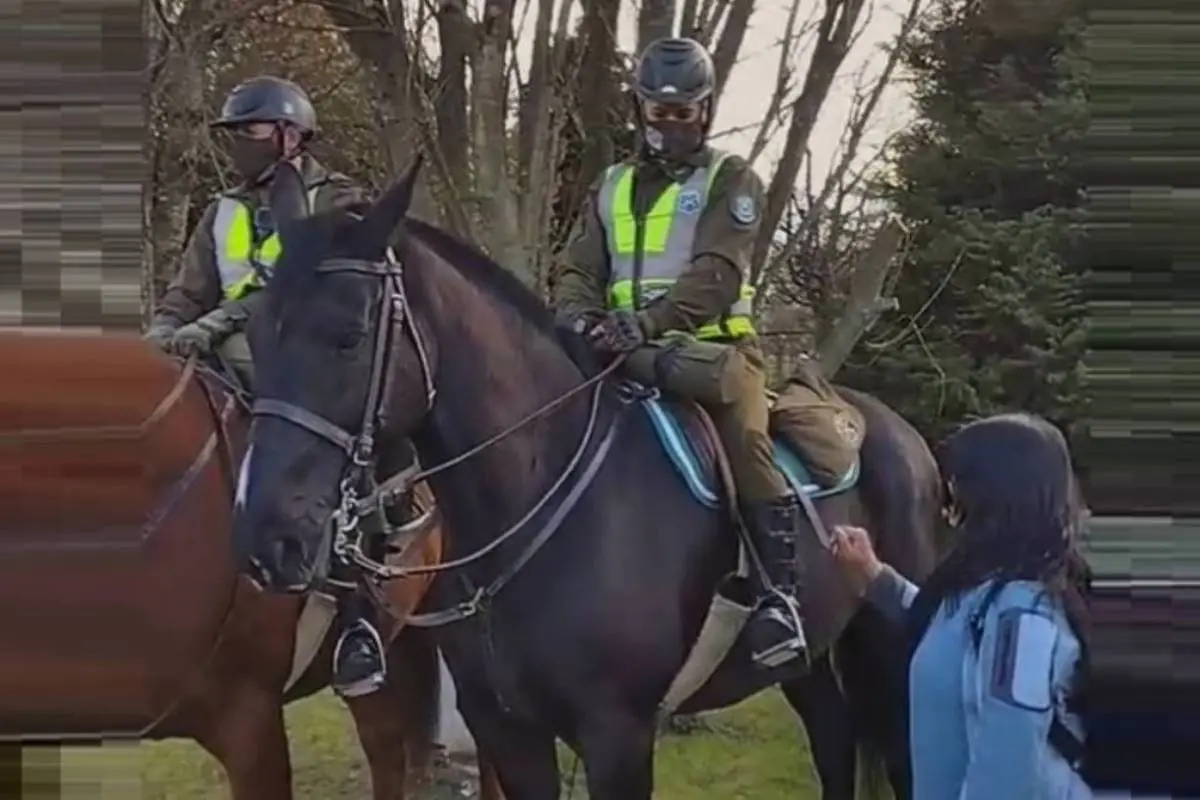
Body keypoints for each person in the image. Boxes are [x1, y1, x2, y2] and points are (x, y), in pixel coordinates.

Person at [553, 36, 808, 672]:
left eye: (681, 112)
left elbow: (718, 273)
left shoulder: (730, 178)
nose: (667, 124)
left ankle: (781, 599)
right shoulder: (609, 185)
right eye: (655, 111)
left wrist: (650, 322)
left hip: (714, 355)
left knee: (748, 448)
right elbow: (577, 266)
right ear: (638, 108)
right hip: (617, 353)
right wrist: (580, 319)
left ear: (706, 110)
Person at [144, 75, 388, 700]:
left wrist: (213, 324)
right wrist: (160, 335)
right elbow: (187, 291)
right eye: (235, 133)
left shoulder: (338, 200)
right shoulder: (220, 210)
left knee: (362, 467)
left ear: (290, 135)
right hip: (222, 358)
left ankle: (361, 615)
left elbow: (306, 291)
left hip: (301, 363)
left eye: (249, 131)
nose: (239, 145)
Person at [831, 413, 1093, 800]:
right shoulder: (990, 584)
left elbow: (1010, 765)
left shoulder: (1023, 618)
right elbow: (952, 634)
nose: (948, 500)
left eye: (957, 484)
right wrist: (875, 579)